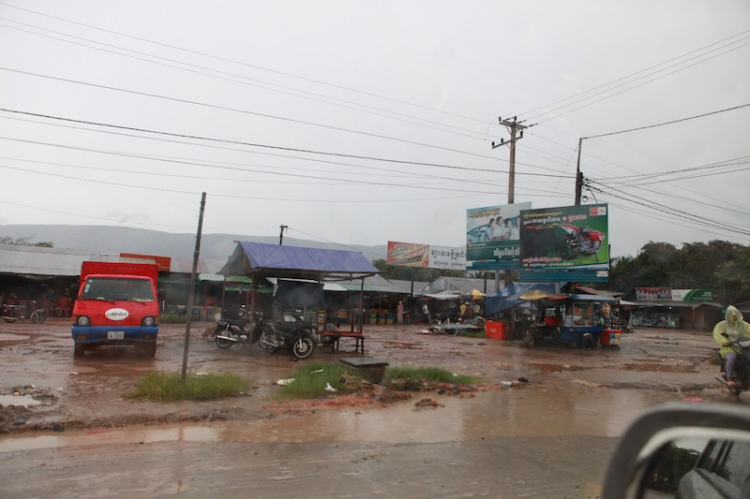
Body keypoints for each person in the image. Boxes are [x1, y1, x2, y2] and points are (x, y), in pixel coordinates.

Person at [713, 305, 750, 388]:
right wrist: (724, 342)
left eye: (736, 316)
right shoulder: (722, 325)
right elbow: (718, 334)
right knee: (731, 358)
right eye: (732, 316)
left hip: (743, 347)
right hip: (729, 347)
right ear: (728, 316)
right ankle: (729, 379)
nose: (734, 318)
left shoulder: (744, 325)